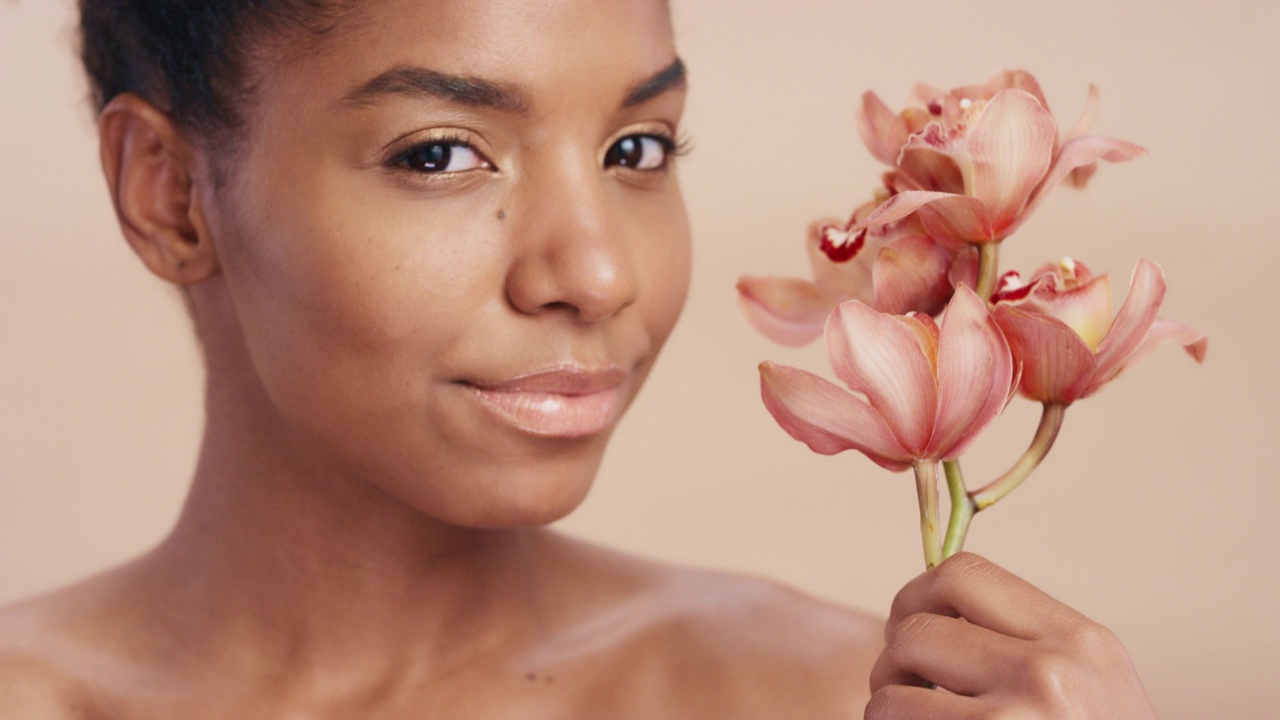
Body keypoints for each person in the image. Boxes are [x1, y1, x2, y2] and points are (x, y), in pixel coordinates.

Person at [0, 0, 1159, 716]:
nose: (598, 274)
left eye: (635, 146)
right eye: (444, 153)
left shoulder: (837, 699)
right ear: (169, 194)